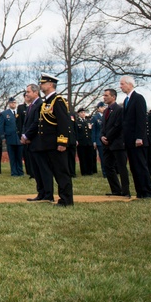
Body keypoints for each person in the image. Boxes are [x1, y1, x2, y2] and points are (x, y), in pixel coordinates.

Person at [31, 73, 73, 206]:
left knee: (61, 172)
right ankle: (56, 196)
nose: (41, 85)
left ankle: (66, 199)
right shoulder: (46, 102)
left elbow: (63, 123)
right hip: (47, 144)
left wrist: (62, 141)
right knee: (54, 172)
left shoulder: (58, 100)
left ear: (50, 85)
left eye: (43, 83)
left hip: (56, 144)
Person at [119, 75, 151, 199]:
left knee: (141, 166)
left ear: (129, 84)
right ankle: (140, 192)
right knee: (134, 167)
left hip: (137, 139)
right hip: (129, 140)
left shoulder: (138, 98)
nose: (121, 86)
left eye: (122, 84)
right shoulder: (126, 100)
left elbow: (141, 119)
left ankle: (148, 192)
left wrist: (140, 137)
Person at [100, 88, 130, 197]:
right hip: (107, 144)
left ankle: (126, 191)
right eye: (104, 95)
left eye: (107, 95)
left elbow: (118, 126)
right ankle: (116, 190)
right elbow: (102, 127)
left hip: (117, 143)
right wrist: (102, 137)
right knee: (108, 166)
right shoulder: (106, 111)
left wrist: (108, 137)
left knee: (121, 167)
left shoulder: (119, 110)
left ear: (113, 97)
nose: (104, 97)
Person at [20, 83, 47, 201]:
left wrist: (27, 135)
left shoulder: (40, 105)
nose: (27, 94)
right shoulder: (31, 106)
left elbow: (37, 123)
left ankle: (47, 193)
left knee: (43, 169)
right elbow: (26, 123)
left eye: (28, 92)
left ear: (36, 92)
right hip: (31, 142)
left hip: (38, 142)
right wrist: (23, 135)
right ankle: (41, 192)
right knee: (36, 170)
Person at [1, 98, 23, 176]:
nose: (13, 104)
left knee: (19, 156)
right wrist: (3, 137)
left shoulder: (20, 112)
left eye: (14, 102)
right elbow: (1, 126)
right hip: (10, 137)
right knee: (12, 156)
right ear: (9, 104)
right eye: (11, 103)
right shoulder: (4, 114)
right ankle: (14, 172)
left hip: (19, 137)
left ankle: (20, 171)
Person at [75, 107, 95, 176]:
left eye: (84, 112)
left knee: (89, 157)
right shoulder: (77, 122)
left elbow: (90, 131)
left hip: (88, 142)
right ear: (78, 114)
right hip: (81, 142)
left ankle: (90, 171)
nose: (83, 114)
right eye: (81, 112)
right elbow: (76, 132)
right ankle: (84, 171)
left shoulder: (88, 121)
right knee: (82, 158)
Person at [91, 102, 105, 174]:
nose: (103, 108)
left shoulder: (106, 116)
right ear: (98, 108)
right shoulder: (95, 118)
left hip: (106, 139)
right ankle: (104, 172)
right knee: (102, 157)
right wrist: (94, 141)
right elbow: (93, 130)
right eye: (102, 107)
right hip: (98, 140)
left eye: (104, 107)